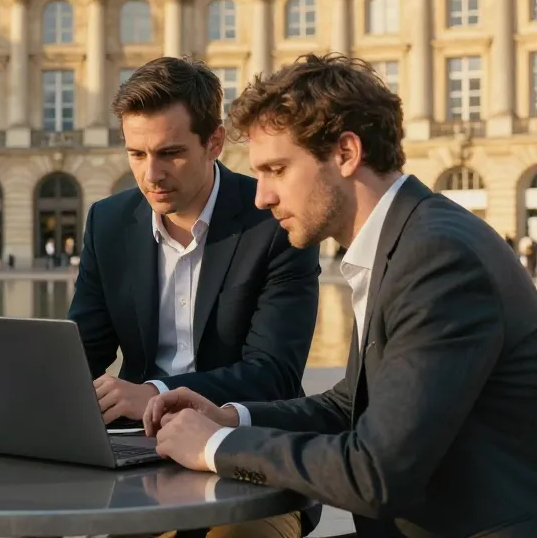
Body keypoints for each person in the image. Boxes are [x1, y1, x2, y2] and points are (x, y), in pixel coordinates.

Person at [145, 54, 537, 537]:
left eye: (277, 169)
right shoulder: (405, 240)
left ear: (347, 154)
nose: (262, 197)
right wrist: (227, 417)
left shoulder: (437, 258)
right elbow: (347, 406)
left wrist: (215, 446)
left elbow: (376, 474)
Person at [67, 56, 321, 538]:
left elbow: (274, 372)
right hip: (142, 457)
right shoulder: (108, 221)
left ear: (215, 142)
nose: (151, 174)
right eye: (137, 154)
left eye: (170, 153)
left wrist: (153, 392)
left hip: (249, 460)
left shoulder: (273, 220)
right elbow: (81, 351)